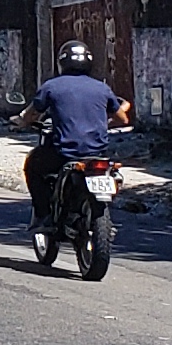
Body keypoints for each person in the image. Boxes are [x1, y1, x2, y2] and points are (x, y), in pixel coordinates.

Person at [24, 42, 131, 232]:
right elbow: (122, 119)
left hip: (64, 153)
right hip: (97, 154)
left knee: (32, 165)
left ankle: (43, 215)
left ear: (62, 62)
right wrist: (104, 123)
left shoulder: (51, 86)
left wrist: (21, 120)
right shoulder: (101, 88)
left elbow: (31, 114)